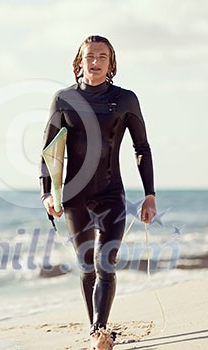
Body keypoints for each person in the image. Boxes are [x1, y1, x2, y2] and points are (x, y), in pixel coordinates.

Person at [39, 35, 157, 349]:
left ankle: (98, 331)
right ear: (79, 61)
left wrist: (149, 194)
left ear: (111, 63)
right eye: (90, 56)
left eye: (102, 56)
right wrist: (47, 193)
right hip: (74, 197)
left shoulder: (126, 99)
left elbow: (141, 147)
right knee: (87, 265)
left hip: (111, 193)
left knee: (107, 263)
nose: (95, 61)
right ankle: (97, 330)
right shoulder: (63, 99)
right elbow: (48, 152)